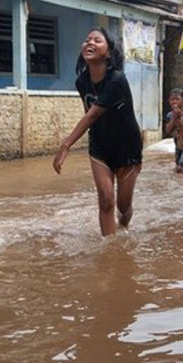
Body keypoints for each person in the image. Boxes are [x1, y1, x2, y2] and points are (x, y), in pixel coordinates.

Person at [53, 28, 142, 236]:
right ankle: (110, 252)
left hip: (127, 148)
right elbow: (90, 116)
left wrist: (66, 145)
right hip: (100, 147)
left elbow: (91, 115)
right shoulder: (81, 82)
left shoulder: (117, 80)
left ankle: (124, 224)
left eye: (97, 40)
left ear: (109, 53)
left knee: (122, 207)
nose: (89, 43)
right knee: (105, 201)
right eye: (87, 40)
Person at [164, 88, 183, 173]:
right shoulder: (169, 115)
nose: (174, 102)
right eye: (172, 99)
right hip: (178, 145)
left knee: (180, 166)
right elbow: (167, 131)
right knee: (180, 168)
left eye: (177, 99)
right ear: (169, 101)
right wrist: (174, 118)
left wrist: (179, 120)